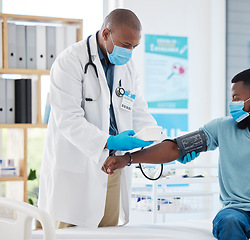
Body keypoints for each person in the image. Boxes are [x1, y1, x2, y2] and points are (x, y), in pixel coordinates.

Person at [103, 68, 250, 240]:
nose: (232, 105)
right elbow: (174, 147)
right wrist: (127, 158)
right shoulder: (222, 127)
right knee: (229, 223)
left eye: (236, 98)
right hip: (236, 212)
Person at [38, 9, 195, 229]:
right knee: (70, 233)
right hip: (76, 170)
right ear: (105, 34)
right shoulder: (70, 61)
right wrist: (109, 141)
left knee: (107, 232)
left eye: (134, 46)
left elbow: (138, 110)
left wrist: (166, 143)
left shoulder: (128, 67)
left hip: (112, 168)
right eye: (125, 44)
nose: (129, 52)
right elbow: (68, 119)